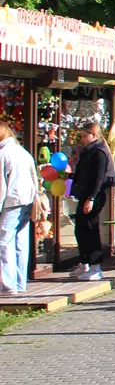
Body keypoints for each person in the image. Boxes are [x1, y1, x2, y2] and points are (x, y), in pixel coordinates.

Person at [70, 122, 115, 281]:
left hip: (94, 195)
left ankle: (96, 267)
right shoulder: (87, 151)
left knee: (90, 229)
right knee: (81, 230)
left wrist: (91, 198)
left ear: (94, 135)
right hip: (85, 194)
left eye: (84, 135)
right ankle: (85, 263)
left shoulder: (99, 152)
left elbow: (98, 178)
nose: (82, 139)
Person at [0, 119, 40, 295]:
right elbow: (34, 176)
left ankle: (8, 284)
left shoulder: (3, 154)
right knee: (20, 242)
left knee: (4, 242)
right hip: (27, 200)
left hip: (11, 201)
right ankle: (20, 282)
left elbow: (1, 185)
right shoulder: (22, 152)